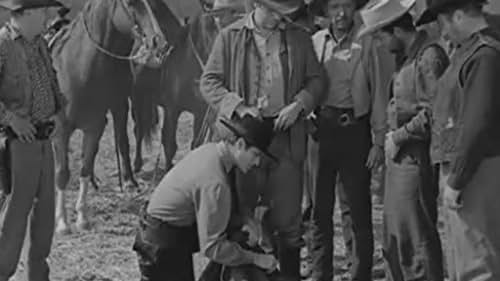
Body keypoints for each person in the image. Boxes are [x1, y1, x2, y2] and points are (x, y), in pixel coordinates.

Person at [200, 0, 326, 279]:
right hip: (246, 138)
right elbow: (209, 81)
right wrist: (237, 106)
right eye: (274, 12)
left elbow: (317, 80)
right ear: (256, 5)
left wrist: (300, 104)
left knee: (289, 220)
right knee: (243, 215)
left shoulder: (299, 38)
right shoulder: (230, 37)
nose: (280, 18)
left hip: (286, 136)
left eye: (285, 13)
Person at [358, 0, 450, 280]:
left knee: (416, 235)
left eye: (380, 36)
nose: (379, 44)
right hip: (400, 159)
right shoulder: (407, 58)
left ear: (396, 30)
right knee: (395, 234)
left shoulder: (428, 58)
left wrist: (399, 136)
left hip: (415, 158)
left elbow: (436, 111)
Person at [133, 115, 280, 281]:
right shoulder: (216, 182)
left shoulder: (212, 150)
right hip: (162, 247)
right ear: (239, 145)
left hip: (163, 234)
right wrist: (256, 258)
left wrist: (244, 221)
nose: (257, 162)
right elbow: (212, 248)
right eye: (255, 154)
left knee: (237, 238)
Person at [308, 0, 394, 279]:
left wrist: (379, 141)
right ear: (327, 11)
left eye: (346, 6)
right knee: (319, 209)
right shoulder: (316, 42)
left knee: (356, 207)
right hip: (320, 132)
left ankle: (360, 273)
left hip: (354, 131)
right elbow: (305, 85)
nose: (341, 13)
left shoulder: (367, 44)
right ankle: (320, 272)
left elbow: (379, 94)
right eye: (334, 7)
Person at [418, 0, 500, 279]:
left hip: (476, 172)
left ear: (459, 16)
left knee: (477, 264)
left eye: (442, 24)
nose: (442, 33)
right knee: (462, 259)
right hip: (468, 170)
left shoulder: (484, 55)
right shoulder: (469, 52)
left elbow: (477, 125)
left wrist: (456, 180)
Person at [0, 0, 67, 280]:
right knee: (15, 218)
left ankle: (38, 276)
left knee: (44, 218)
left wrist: (58, 107)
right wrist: (12, 118)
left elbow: (48, 81)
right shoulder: (3, 45)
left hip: (43, 138)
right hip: (19, 142)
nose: (48, 16)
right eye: (42, 11)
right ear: (25, 13)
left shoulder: (39, 42)